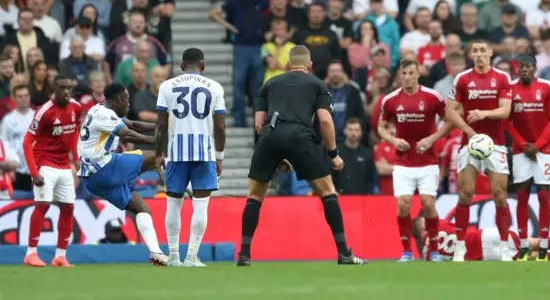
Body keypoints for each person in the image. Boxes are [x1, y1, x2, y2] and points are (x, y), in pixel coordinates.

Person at [237, 45, 366, 266]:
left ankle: (244, 255)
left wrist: (278, 154)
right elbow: (325, 120)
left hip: (269, 136)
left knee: (255, 196)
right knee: (327, 192)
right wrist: (334, 154)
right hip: (299, 135)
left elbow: (259, 124)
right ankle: (344, 253)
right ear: (310, 65)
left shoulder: (270, 83)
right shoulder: (317, 84)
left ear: (288, 65)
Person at [77, 83, 169, 266]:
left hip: (92, 179)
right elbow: (127, 135)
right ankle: (186, 186)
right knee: (154, 157)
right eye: (127, 100)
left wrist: (159, 126)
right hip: (103, 168)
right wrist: (156, 139)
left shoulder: (98, 110)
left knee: (141, 207)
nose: (129, 105)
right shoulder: (105, 114)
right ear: (120, 99)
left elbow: (133, 124)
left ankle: (156, 252)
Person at [154, 48, 226, 267]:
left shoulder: (167, 86)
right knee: (201, 205)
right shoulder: (214, 87)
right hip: (204, 154)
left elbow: (161, 125)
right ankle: (192, 256)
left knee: (173, 205)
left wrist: (158, 153)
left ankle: (174, 256)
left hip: (176, 154)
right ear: (202, 65)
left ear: (182, 65)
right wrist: (219, 156)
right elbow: (220, 127)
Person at [378, 58, 453, 262]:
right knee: (403, 205)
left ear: (418, 74)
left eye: (411, 73)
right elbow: (380, 128)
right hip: (403, 162)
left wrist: (432, 139)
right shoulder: (391, 99)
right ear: (400, 75)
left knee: (428, 204)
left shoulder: (432, 96)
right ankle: (407, 252)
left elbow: (449, 122)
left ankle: (435, 251)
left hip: (427, 161)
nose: (408, 77)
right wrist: (394, 140)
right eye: (404, 73)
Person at [445, 40, 513, 262]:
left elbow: (505, 110)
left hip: (496, 144)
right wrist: (470, 132)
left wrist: (483, 114)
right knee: (465, 194)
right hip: (469, 143)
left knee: (499, 195)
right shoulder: (463, 79)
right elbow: (450, 111)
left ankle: (505, 246)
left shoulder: (502, 78)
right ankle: (460, 247)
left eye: (483, 50)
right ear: (471, 54)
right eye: (475, 51)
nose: (479, 54)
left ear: (491, 52)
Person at [502, 54, 550, 261]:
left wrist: (537, 145)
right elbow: (506, 121)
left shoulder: (546, 87)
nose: (524, 70)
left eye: (528, 67)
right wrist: (521, 143)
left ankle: (543, 244)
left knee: (544, 195)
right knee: (522, 196)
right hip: (521, 150)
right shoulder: (509, 88)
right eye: (521, 67)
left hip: (542, 150)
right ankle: (524, 244)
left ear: (535, 68)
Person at [22, 75, 83, 267]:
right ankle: (31, 253)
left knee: (68, 207)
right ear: (54, 89)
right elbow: (27, 142)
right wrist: (34, 172)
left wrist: (77, 158)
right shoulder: (44, 112)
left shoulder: (76, 107)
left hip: (64, 165)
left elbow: (73, 133)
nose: (66, 92)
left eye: (69, 88)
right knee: (43, 205)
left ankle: (60, 256)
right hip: (45, 164)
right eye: (62, 88)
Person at [411, 215, 550, 261]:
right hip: (485, 236)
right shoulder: (439, 224)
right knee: (535, 243)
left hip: (485, 256)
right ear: (424, 227)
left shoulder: (428, 255)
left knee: (533, 257)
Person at [0, 84, 34, 193]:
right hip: (16, 172)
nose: (23, 98)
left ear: (29, 97)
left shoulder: (38, 117)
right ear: (14, 98)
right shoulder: (7, 120)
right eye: (20, 96)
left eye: (26, 95)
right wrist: (9, 169)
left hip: (36, 171)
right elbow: (3, 145)